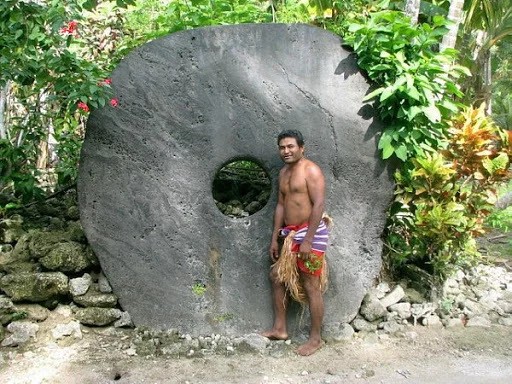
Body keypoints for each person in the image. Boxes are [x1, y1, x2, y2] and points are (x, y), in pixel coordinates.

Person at [261, 129, 329, 356]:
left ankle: (316, 339)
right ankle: (280, 329)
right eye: (282, 147)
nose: (286, 151)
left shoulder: (311, 170)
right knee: (277, 277)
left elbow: (318, 204)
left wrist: (308, 240)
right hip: (289, 235)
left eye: (290, 146)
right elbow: (280, 206)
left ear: (302, 147)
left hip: (311, 234)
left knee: (311, 284)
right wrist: (275, 238)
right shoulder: (283, 173)